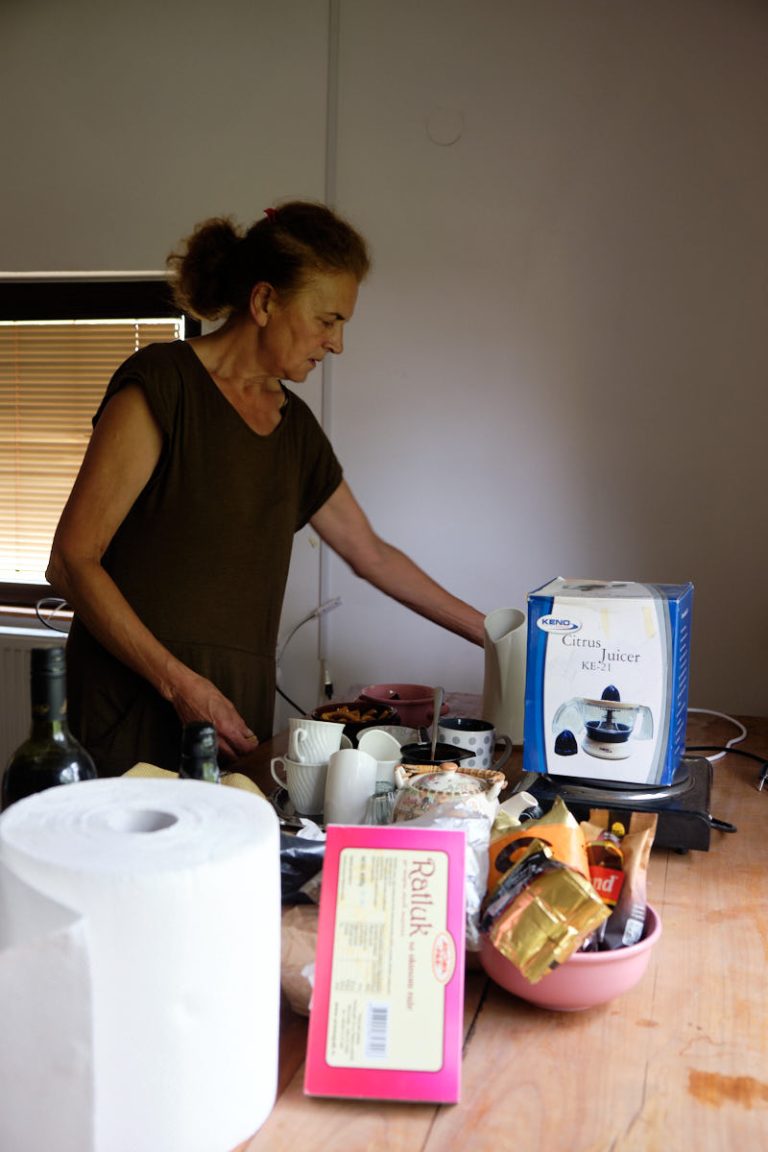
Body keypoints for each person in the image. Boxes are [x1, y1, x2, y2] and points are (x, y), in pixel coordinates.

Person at [46, 201, 485, 776]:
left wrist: (499, 636)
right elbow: (72, 561)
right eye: (327, 319)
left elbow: (371, 554)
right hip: (134, 707)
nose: (337, 343)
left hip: (230, 717)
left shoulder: (294, 429)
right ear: (264, 301)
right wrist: (179, 685)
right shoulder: (162, 385)